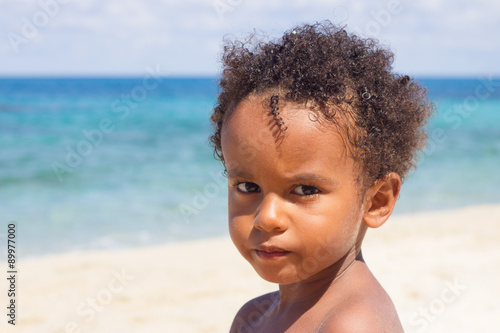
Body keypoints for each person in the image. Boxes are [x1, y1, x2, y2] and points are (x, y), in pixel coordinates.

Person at [209, 21, 433, 332]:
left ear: (376, 201)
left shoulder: (352, 324)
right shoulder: (254, 316)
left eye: (304, 189)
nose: (267, 218)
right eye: (248, 186)